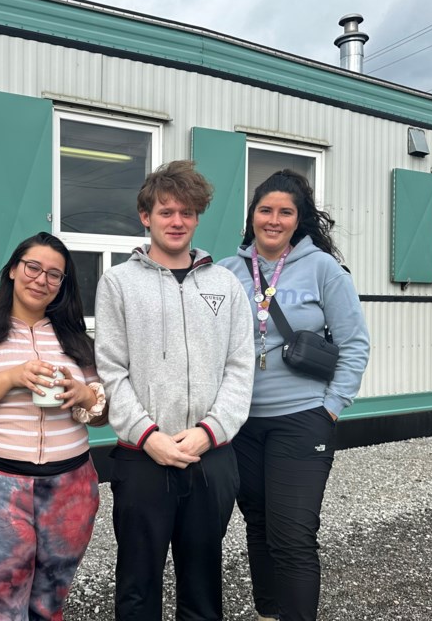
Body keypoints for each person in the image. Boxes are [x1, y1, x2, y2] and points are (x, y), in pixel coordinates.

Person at [94, 160, 255, 620]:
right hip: (142, 455)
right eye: (166, 211)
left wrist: (210, 430)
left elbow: (241, 368)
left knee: (203, 585)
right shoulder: (118, 283)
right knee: (138, 587)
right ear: (146, 216)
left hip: (212, 455)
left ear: (198, 217)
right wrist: (149, 436)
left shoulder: (225, 285)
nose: (177, 221)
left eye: (186, 212)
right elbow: (111, 370)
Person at [218, 169, 371, 621]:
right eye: (265, 210)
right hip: (242, 424)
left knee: (293, 535)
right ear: (252, 217)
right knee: (259, 527)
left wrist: (332, 407)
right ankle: (268, 614)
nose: (274, 219)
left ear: (298, 219)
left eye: (285, 212)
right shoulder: (229, 271)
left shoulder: (322, 269)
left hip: (302, 419)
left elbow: (354, 342)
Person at [0, 232, 107, 620]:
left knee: (51, 601)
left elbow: (101, 414)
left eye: (54, 274)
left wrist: (84, 395)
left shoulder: (74, 338)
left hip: (70, 487)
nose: (41, 279)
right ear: (13, 270)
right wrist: (10, 377)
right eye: (33, 267)